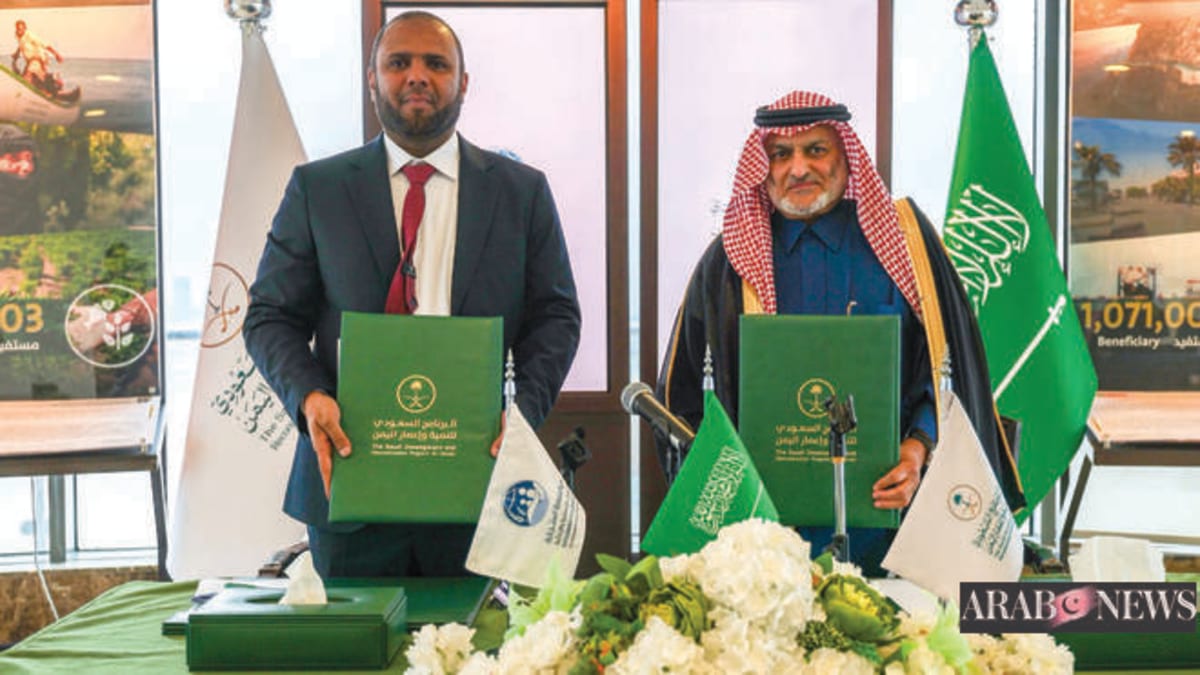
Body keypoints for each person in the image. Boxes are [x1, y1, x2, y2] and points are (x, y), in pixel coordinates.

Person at [244, 11, 581, 579]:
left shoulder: (521, 192)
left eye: (436, 64)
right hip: (349, 489)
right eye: (398, 63)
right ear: (372, 80)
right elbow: (269, 317)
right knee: (356, 666)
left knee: (473, 662)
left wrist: (521, 411)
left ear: (464, 82)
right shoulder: (318, 189)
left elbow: (556, 315)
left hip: (476, 486)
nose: (417, 76)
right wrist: (309, 398)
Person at [656, 90, 1024, 574]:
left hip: (896, 528)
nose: (798, 169)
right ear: (761, 167)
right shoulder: (727, 265)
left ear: (846, 156)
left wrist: (918, 449)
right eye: (781, 154)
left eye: (816, 149)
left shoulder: (905, 244)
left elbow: (946, 372)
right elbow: (684, 400)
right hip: (763, 538)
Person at [10, 20, 64, 96]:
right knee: (28, 79)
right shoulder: (19, 36)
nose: (19, 31)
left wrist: (56, 54)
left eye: (21, 29)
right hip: (30, 61)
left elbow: (45, 44)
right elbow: (21, 45)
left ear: (25, 28)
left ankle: (52, 80)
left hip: (38, 58)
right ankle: (46, 91)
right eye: (18, 29)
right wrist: (16, 54)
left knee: (27, 77)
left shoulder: (31, 36)